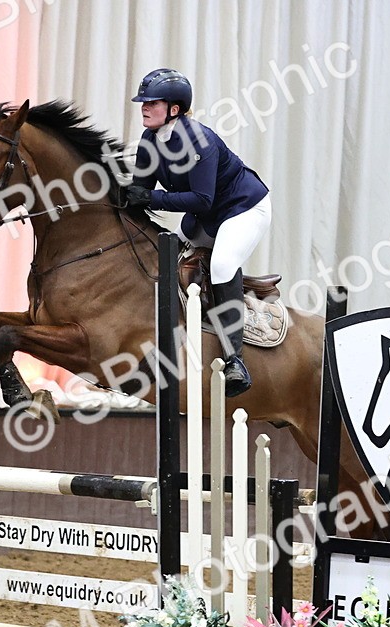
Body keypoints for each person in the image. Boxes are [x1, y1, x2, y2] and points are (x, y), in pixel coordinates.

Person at [124, 68, 271, 397]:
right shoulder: (150, 140)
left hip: (243, 208)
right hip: (205, 216)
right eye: (143, 102)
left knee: (220, 266)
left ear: (174, 109)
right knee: (168, 261)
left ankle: (235, 360)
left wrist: (153, 198)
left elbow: (202, 199)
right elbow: (141, 191)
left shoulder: (199, 140)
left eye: (152, 103)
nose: (144, 107)